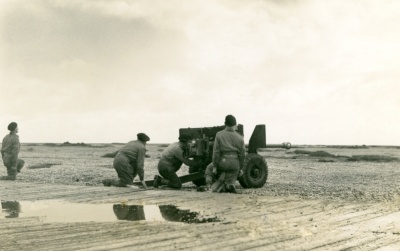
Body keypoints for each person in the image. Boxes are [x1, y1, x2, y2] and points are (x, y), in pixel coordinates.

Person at [211, 115, 245, 193]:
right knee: (232, 175)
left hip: (223, 162)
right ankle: (230, 184)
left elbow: (216, 152)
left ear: (225, 123)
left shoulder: (219, 134)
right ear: (235, 124)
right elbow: (242, 155)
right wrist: (241, 168)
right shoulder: (240, 137)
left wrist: (215, 167)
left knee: (209, 168)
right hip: (235, 163)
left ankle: (215, 185)